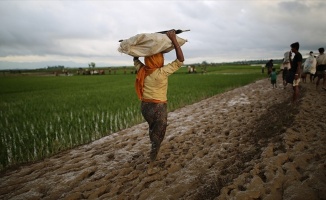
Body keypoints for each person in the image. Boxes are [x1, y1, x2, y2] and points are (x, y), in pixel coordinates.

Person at [133, 30, 184, 164]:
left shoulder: (142, 69)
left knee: (152, 128)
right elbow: (180, 60)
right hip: (158, 107)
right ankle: (153, 155)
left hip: (145, 107)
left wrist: (136, 48)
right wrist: (173, 39)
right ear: (158, 59)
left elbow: (135, 59)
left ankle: (153, 149)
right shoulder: (161, 72)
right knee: (159, 131)